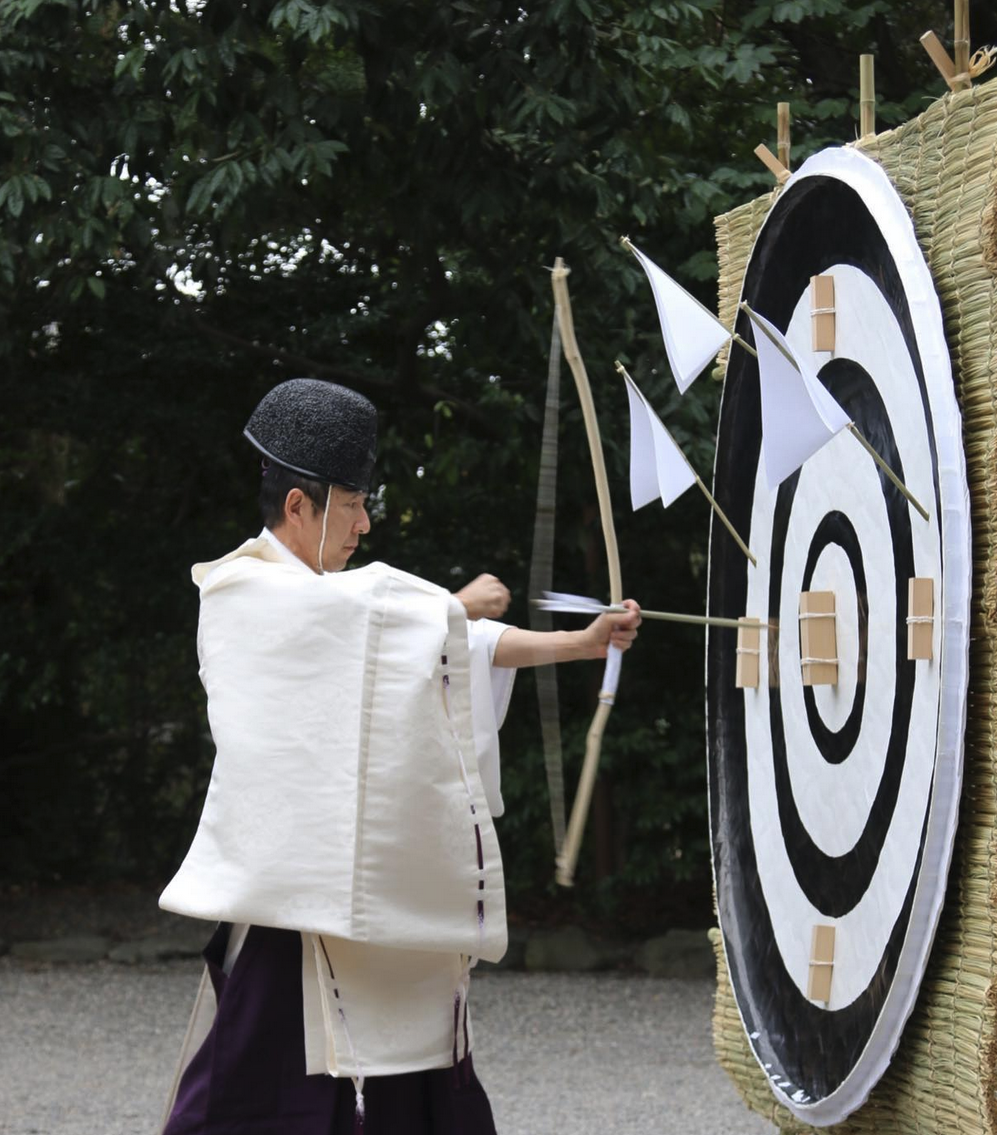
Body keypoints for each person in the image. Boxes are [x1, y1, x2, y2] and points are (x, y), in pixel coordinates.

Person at [158, 378, 641, 1135]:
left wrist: (580, 644)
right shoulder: (241, 591)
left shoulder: (347, 605)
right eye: (350, 503)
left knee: (414, 1072)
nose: (365, 522)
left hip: (384, 903)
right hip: (293, 896)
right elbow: (393, 628)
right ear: (298, 506)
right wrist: (452, 607)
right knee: (263, 1091)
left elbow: (451, 648)